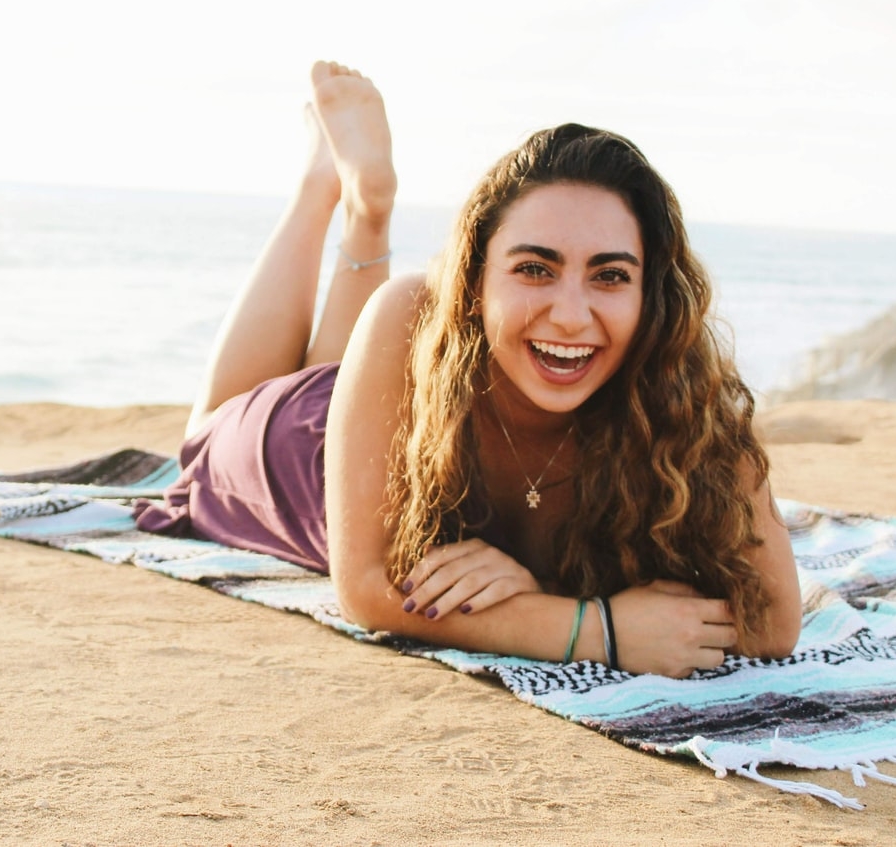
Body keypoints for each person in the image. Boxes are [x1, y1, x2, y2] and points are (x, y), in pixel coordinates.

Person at [133, 61, 802, 678]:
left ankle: (362, 207)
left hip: (391, 396)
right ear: (475, 280)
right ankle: (330, 192)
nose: (570, 315)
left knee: (338, 364)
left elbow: (772, 621)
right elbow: (365, 589)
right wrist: (593, 627)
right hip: (304, 448)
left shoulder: (680, 386)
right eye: (533, 268)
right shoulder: (411, 310)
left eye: (609, 275)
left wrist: (528, 588)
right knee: (210, 427)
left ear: (648, 292)